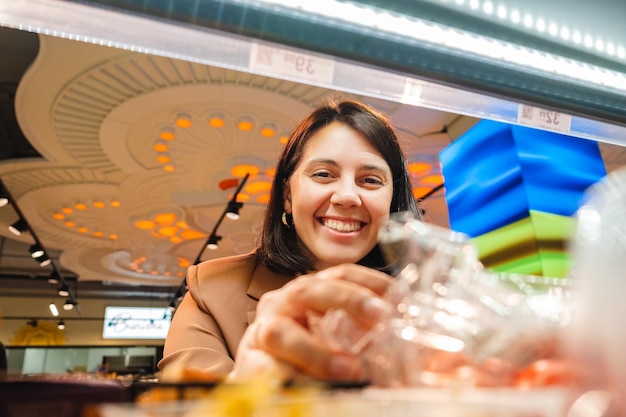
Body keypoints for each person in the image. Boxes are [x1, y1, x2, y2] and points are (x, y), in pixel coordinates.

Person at [158, 99, 420, 383]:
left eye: (370, 180)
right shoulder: (209, 292)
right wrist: (247, 388)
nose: (346, 196)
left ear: (393, 201)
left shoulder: (423, 305)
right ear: (288, 196)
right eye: (323, 175)